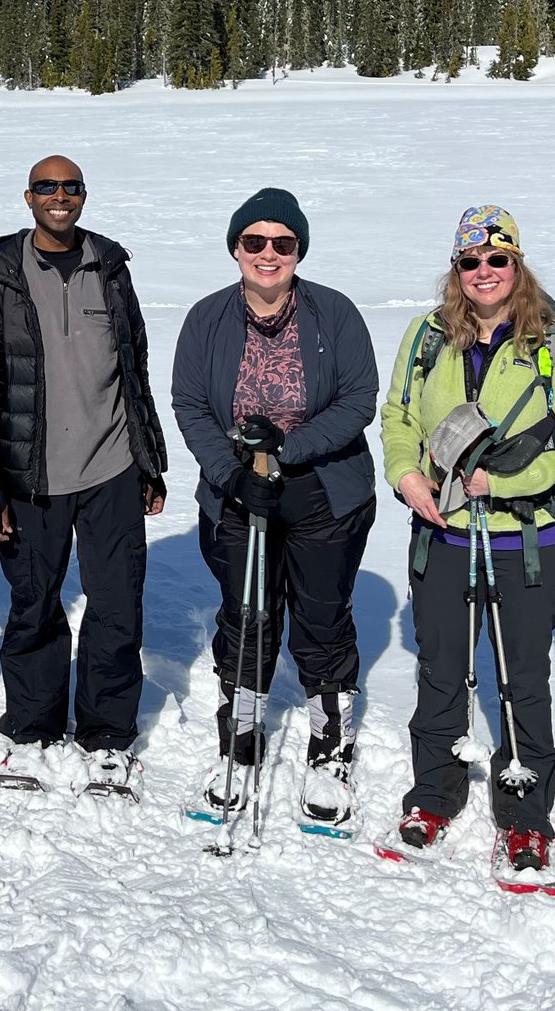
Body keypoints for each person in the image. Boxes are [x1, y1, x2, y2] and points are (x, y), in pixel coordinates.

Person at [380, 205, 555, 876]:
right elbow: (398, 415)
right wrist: (406, 474)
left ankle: (525, 814)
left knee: (521, 677)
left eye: (497, 259)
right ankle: (433, 796)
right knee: (441, 670)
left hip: (523, 539)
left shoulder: (554, 344)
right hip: (442, 534)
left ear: (516, 265)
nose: (484, 272)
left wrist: (503, 484)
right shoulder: (427, 336)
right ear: (457, 270)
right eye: (470, 261)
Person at [0, 154, 167, 793]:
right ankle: (31, 729)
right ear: (28, 198)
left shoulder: (111, 267)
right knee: (34, 605)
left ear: (83, 195)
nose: (59, 196)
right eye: (46, 187)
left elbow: (134, 367)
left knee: (116, 606)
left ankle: (106, 735)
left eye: (70, 187)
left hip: (111, 466)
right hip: (31, 476)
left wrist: (150, 460)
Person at [172, 188, 379, 825]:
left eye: (283, 243)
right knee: (248, 615)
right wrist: (232, 474)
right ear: (236, 248)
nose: (269, 254)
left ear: (299, 250)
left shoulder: (334, 312)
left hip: (324, 490)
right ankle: (240, 734)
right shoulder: (207, 318)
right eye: (255, 241)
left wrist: (288, 448)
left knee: (321, 618)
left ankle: (329, 743)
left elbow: (359, 398)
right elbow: (190, 404)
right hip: (238, 491)